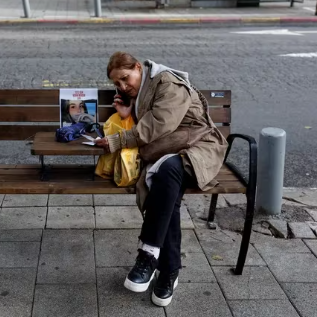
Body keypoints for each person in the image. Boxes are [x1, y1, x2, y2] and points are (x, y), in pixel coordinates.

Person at [95, 52, 227, 307]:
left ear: (137, 67)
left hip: (199, 149)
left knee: (167, 172)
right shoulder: (143, 91)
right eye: (117, 84)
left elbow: (159, 124)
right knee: (167, 189)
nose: (123, 86)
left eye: (125, 78)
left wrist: (117, 140)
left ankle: (148, 253)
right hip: (168, 154)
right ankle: (169, 271)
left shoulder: (167, 83)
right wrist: (126, 115)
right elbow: (147, 128)